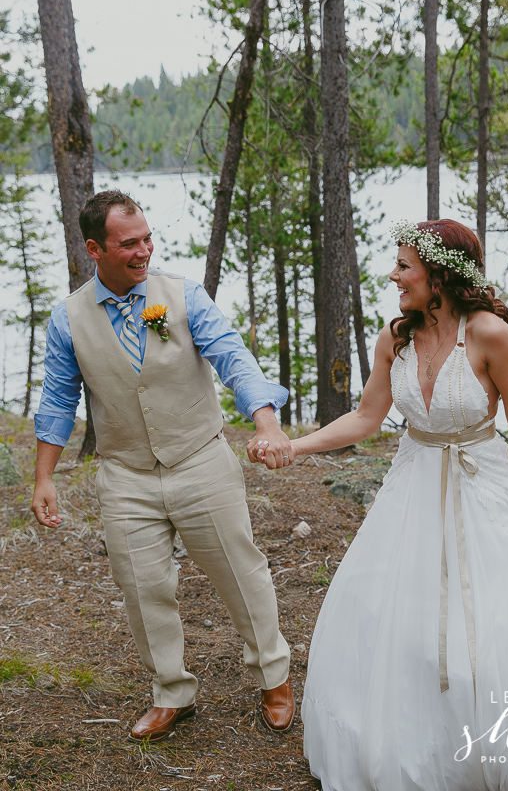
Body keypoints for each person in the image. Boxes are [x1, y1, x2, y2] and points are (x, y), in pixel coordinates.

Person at [251, 218, 508, 791]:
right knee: (397, 612)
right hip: (412, 486)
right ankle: (420, 742)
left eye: (404, 266)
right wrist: (296, 446)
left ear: (439, 275)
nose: (394, 276)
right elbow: (366, 417)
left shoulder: (489, 334)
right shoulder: (396, 339)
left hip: (483, 484)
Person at [31, 190, 296, 742]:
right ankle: (171, 692)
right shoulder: (69, 319)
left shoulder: (182, 296)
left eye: (147, 238)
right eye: (129, 243)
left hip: (199, 458)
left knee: (239, 570)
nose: (144, 250)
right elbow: (58, 398)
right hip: (125, 474)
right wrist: (44, 477)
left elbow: (232, 356)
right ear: (94, 248)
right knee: (142, 585)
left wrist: (266, 421)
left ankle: (273, 675)